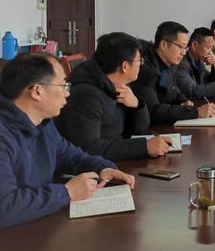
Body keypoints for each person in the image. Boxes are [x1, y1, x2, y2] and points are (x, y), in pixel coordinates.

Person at [0, 53, 135, 251]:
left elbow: (69, 155)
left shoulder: (41, 121)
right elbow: (2, 209)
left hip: (24, 229)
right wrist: (67, 193)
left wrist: (103, 167)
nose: (67, 93)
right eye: (63, 85)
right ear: (37, 91)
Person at [57, 32, 171, 160]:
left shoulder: (119, 84)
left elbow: (139, 130)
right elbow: (89, 148)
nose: (141, 64)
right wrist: (144, 147)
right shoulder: (86, 96)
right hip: (95, 167)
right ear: (125, 66)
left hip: (115, 160)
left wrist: (136, 104)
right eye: (139, 60)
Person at [133, 21, 215, 125]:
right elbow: (153, 111)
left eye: (185, 47)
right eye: (181, 46)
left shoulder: (170, 65)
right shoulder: (144, 69)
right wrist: (196, 112)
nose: (184, 52)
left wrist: (184, 101)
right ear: (164, 45)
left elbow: (174, 91)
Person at [176, 27, 215, 100]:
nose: (210, 52)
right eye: (208, 48)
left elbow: (208, 88)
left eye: (211, 48)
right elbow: (193, 92)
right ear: (194, 45)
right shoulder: (181, 63)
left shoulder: (200, 61)